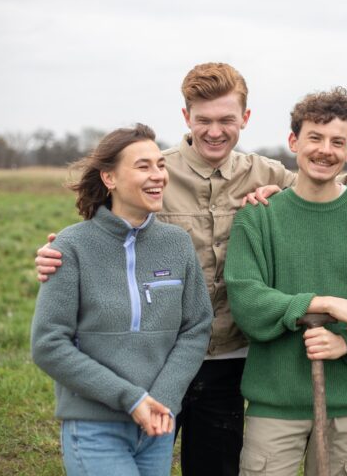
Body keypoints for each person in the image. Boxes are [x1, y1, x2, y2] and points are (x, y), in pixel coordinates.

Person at [35, 63, 297, 475]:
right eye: (203, 120)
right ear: (186, 118)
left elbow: (329, 184)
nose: (215, 131)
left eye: (227, 120)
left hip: (229, 356)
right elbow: (100, 232)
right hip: (149, 361)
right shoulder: (153, 168)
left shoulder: (267, 173)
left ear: (245, 119)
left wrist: (285, 195)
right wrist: (57, 253)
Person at [224, 87, 347, 476]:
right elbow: (247, 300)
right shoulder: (260, 216)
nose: (325, 150)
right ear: (293, 142)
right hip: (276, 402)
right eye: (315, 138)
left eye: (337, 142)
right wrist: (319, 303)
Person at [30, 124, 213, 476]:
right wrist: (131, 399)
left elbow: (196, 328)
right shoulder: (71, 247)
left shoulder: (177, 244)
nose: (158, 175)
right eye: (143, 166)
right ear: (109, 178)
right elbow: (48, 344)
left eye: (161, 165)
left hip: (158, 425)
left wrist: (162, 399)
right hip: (95, 427)